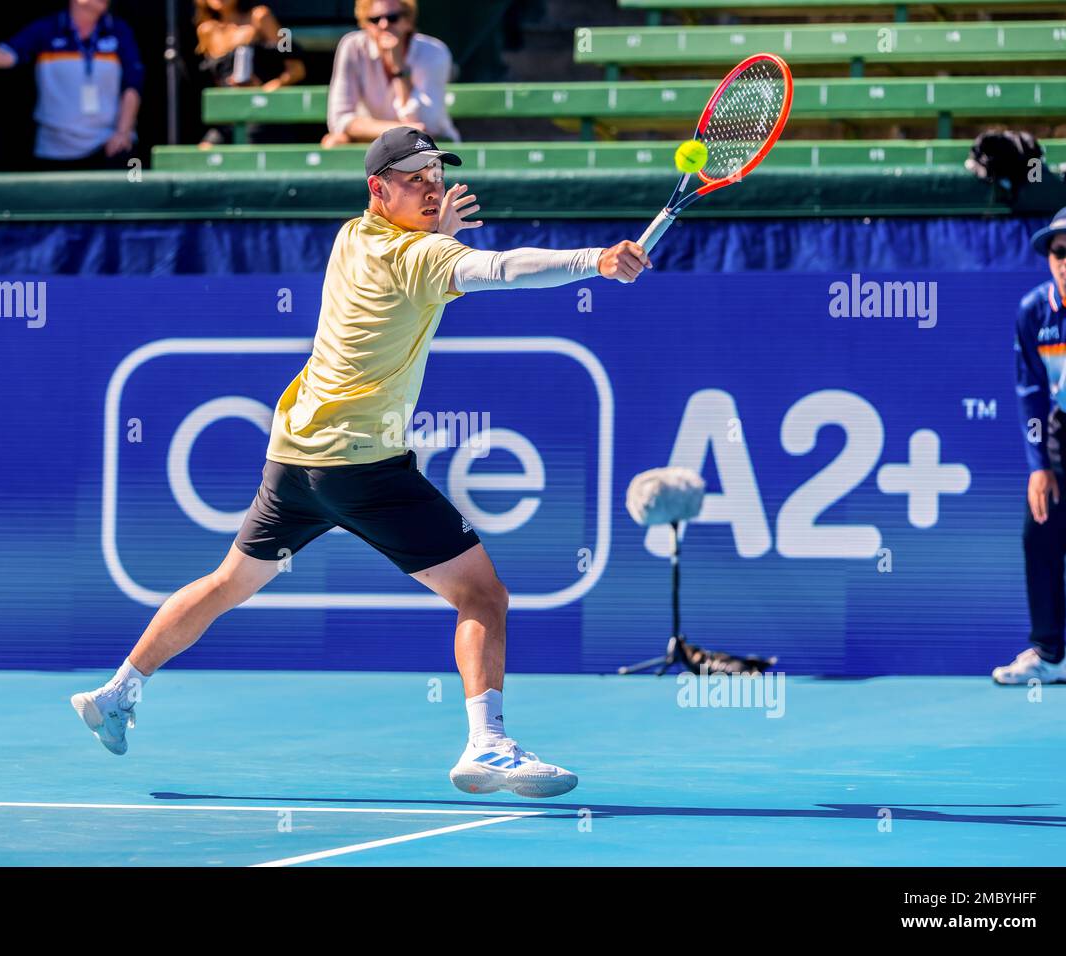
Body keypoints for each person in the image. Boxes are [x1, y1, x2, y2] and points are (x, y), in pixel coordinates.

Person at [71, 126, 650, 797]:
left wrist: (440, 235)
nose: (431, 187)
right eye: (414, 179)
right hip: (362, 465)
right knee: (482, 594)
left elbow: (434, 261)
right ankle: (487, 747)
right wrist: (596, 261)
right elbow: (498, 270)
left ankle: (118, 691)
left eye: (437, 176)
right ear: (379, 189)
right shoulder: (419, 258)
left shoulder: (354, 236)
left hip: (295, 456)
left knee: (229, 581)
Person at [996, 206, 1066, 685]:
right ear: (1049, 257)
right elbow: (1030, 390)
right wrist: (1038, 464)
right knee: (1040, 534)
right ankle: (1050, 653)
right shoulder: (1033, 311)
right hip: (1065, 436)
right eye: (1060, 252)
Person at [0, 0, 143, 171]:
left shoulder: (119, 31)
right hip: (55, 148)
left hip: (107, 144)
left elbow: (133, 84)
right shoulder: (47, 28)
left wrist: (123, 132)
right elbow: (7, 55)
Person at [321, 0, 458, 149]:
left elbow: (426, 125)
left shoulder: (434, 52)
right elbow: (339, 120)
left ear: (409, 21)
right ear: (364, 23)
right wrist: (397, 130)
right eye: (374, 19)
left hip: (428, 145)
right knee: (334, 142)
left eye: (393, 17)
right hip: (376, 143)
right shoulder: (352, 46)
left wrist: (398, 66)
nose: (384, 25)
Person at [194, 0, 306, 147]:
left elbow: (296, 69)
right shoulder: (205, 30)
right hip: (228, 115)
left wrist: (265, 89)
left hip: (262, 112)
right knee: (204, 153)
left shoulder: (260, 16)